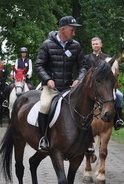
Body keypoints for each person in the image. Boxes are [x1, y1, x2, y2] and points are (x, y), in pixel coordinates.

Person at [35, 16, 88, 152]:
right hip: (51, 87)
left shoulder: (76, 46)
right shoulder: (47, 44)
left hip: (69, 87)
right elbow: (39, 65)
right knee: (45, 105)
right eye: (72, 29)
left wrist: (79, 79)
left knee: (86, 107)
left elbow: (83, 66)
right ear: (63, 29)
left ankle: (87, 141)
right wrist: (47, 80)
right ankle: (43, 138)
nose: (74, 33)